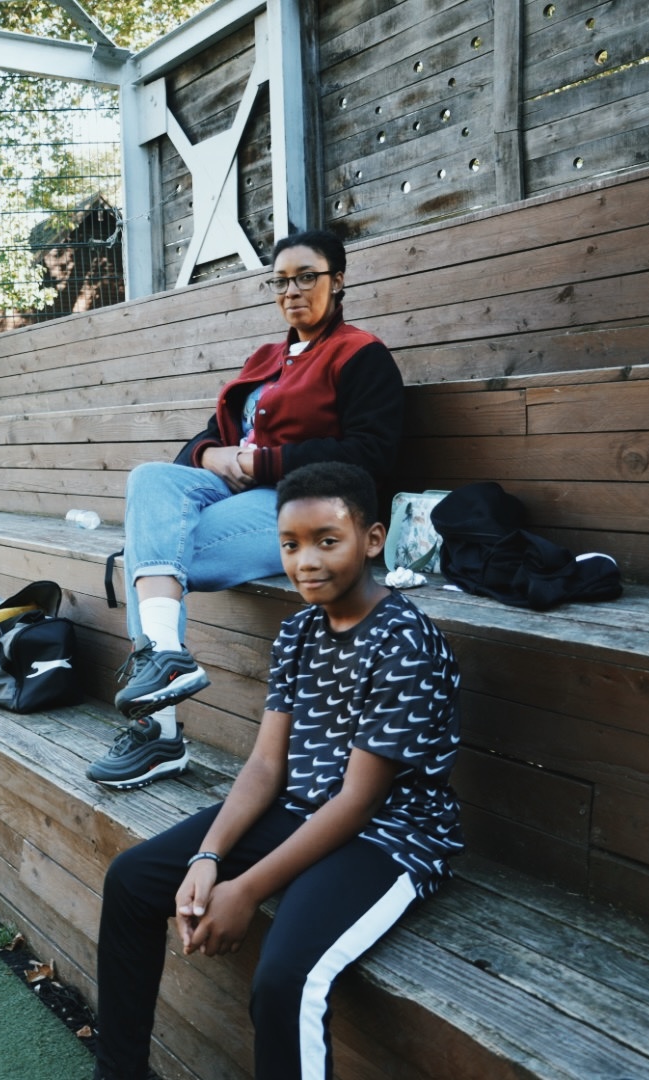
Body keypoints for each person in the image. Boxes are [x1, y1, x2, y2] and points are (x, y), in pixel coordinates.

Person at [92, 461, 462, 1080]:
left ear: (372, 540)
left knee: (288, 979)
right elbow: (266, 765)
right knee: (132, 880)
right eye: (290, 545)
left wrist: (246, 889)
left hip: (389, 835)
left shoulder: (406, 642)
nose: (306, 561)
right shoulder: (298, 630)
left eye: (327, 541)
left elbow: (359, 801)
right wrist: (208, 859)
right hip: (299, 805)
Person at [86, 229, 405, 789]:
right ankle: (163, 654)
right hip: (234, 492)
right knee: (150, 481)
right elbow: (206, 439)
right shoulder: (267, 358)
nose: (293, 290)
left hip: (305, 508)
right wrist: (214, 453)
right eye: (281, 281)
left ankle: (157, 734)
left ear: (339, 281)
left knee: (151, 556)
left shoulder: (361, 354)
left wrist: (263, 464)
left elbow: (370, 456)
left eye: (308, 277)